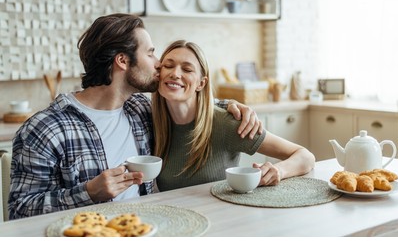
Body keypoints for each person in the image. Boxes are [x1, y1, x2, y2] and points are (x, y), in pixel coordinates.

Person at [8, 14, 261, 220]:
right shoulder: (44, 129)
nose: (159, 63)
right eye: (150, 53)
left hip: (147, 230)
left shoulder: (140, 109)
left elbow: (190, 99)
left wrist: (230, 105)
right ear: (122, 61)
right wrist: (88, 192)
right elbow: (20, 211)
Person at [152, 40, 316, 191]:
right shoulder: (149, 122)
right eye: (168, 66)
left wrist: (278, 170)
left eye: (187, 69)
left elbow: (305, 156)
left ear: (201, 83)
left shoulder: (225, 124)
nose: (175, 73)